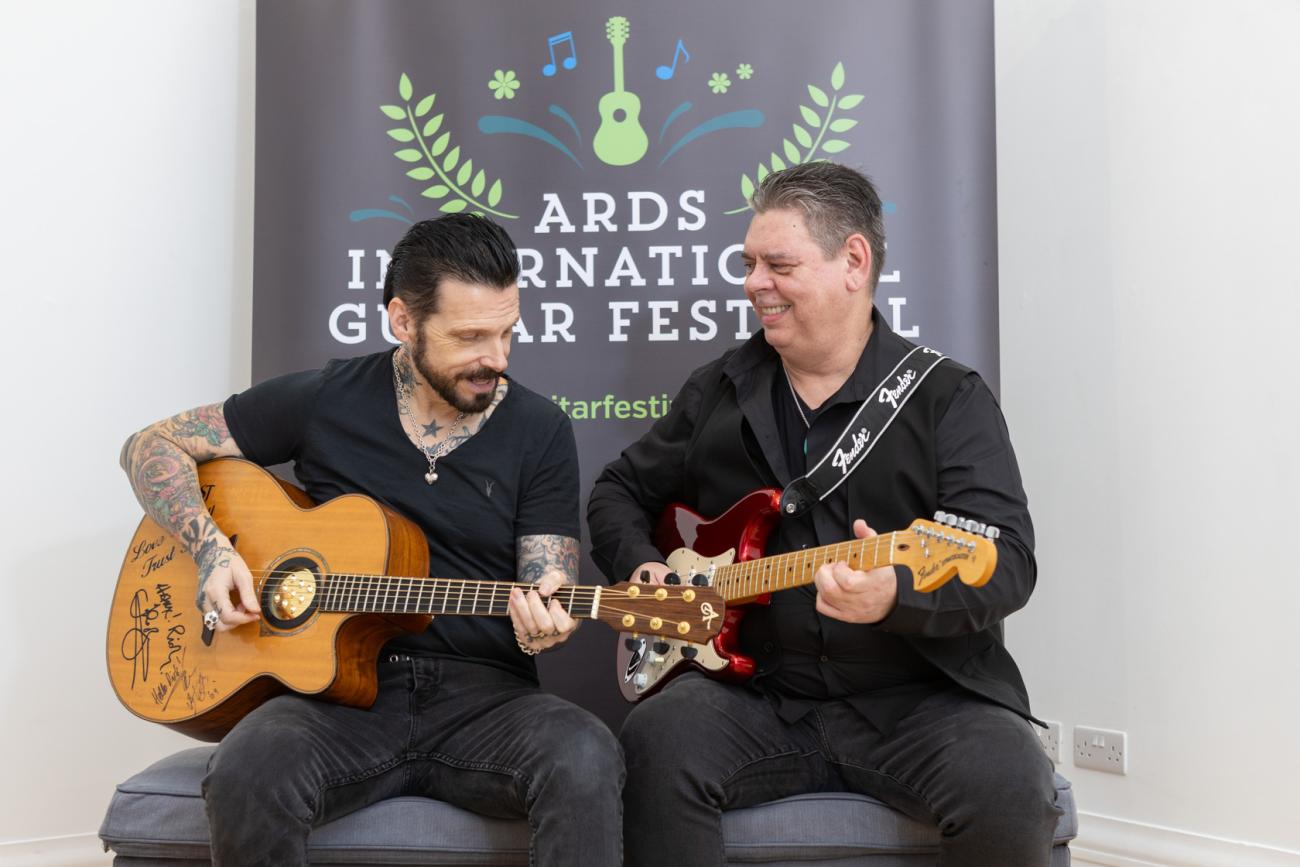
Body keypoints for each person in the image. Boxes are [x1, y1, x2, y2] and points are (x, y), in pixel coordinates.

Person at [587, 162, 1059, 866]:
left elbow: (1009, 563)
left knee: (1010, 779)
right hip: (755, 693)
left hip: (923, 699)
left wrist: (897, 594)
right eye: (749, 264)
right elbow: (616, 491)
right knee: (656, 742)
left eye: (778, 264)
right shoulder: (719, 387)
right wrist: (645, 566)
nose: (754, 283)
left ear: (854, 262)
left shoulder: (947, 398)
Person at [120, 214, 623, 867]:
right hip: (334, 697)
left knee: (586, 753)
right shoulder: (328, 398)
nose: (495, 358)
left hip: (486, 697)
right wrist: (212, 549)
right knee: (248, 768)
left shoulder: (541, 427)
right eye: (470, 336)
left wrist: (542, 625)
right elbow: (150, 445)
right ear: (402, 321)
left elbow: (545, 577)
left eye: (506, 333)